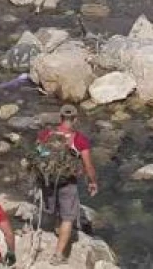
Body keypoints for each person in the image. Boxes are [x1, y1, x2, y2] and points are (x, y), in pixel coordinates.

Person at [34, 104, 98, 264]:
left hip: (48, 180)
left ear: (60, 117)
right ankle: (58, 255)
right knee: (68, 218)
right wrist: (92, 182)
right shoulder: (79, 139)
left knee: (54, 209)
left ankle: (56, 227)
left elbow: (36, 155)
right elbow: (88, 165)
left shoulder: (46, 134)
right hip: (67, 182)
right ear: (75, 119)